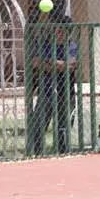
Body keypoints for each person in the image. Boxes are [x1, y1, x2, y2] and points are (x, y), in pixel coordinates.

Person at [29, 13, 78, 155]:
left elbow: (70, 65)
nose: (58, 33)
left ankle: (62, 153)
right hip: (47, 91)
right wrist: (57, 64)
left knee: (64, 127)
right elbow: (36, 63)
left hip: (66, 92)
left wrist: (49, 62)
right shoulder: (45, 44)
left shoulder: (72, 46)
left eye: (61, 30)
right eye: (56, 29)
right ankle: (36, 153)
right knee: (38, 127)